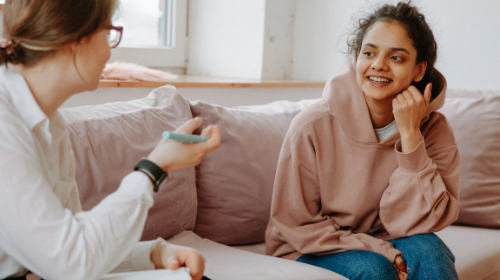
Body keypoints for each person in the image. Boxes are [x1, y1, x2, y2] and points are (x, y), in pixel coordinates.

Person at [0, 0, 220, 279]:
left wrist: (153, 254)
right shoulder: (4, 125)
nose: (109, 53)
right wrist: (152, 170)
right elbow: (70, 261)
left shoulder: (51, 124)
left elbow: (74, 243)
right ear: (74, 40)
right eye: (108, 33)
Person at [265, 2, 460, 280]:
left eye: (397, 58)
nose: (378, 65)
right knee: (373, 269)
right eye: (369, 53)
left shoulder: (435, 130)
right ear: (356, 58)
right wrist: (379, 249)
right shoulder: (311, 125)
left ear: (418, 70)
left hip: (388, 238)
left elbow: (427, 220)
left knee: (430, 250)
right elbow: (296, 223)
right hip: (309, 247)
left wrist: (410, 138)